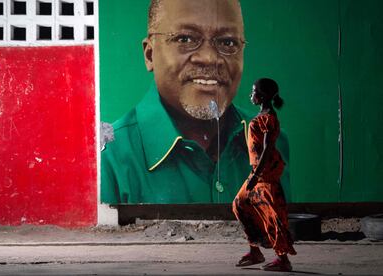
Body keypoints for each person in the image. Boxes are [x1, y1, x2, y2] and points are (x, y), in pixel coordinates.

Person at [101, 0, 289, 204]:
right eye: (185, 38)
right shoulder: (107, 160)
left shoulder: (270, 141)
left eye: (227, 42)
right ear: (149, 54)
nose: (209, 58)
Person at [232, 78, 296, 272]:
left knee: (273, 216)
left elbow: (268, 149)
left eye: (253, 91)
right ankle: (255, 251)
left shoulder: (269, 118)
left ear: (262, 96)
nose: (251, 94)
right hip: (257, 172)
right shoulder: (261, 114)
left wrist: (255, 175)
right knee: (240, 204)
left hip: (265, 174)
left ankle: (283, 259)